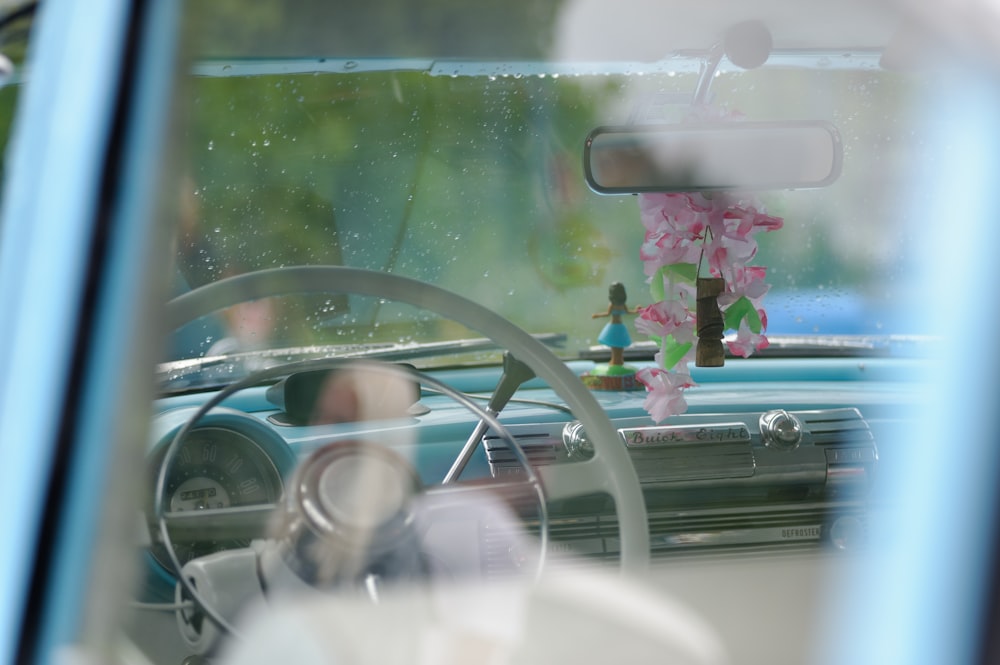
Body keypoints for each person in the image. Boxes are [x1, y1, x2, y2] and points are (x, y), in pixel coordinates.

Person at [592, 282, 639, 368]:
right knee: (616, 346)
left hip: (617, 327)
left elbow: (627, 312)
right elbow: (608, 313)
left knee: (618, 346)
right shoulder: (614, 305)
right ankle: (615, 360)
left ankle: (618, 360)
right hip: (615, 327)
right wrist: (598, 315)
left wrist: (636, 311)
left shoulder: (618, 305)